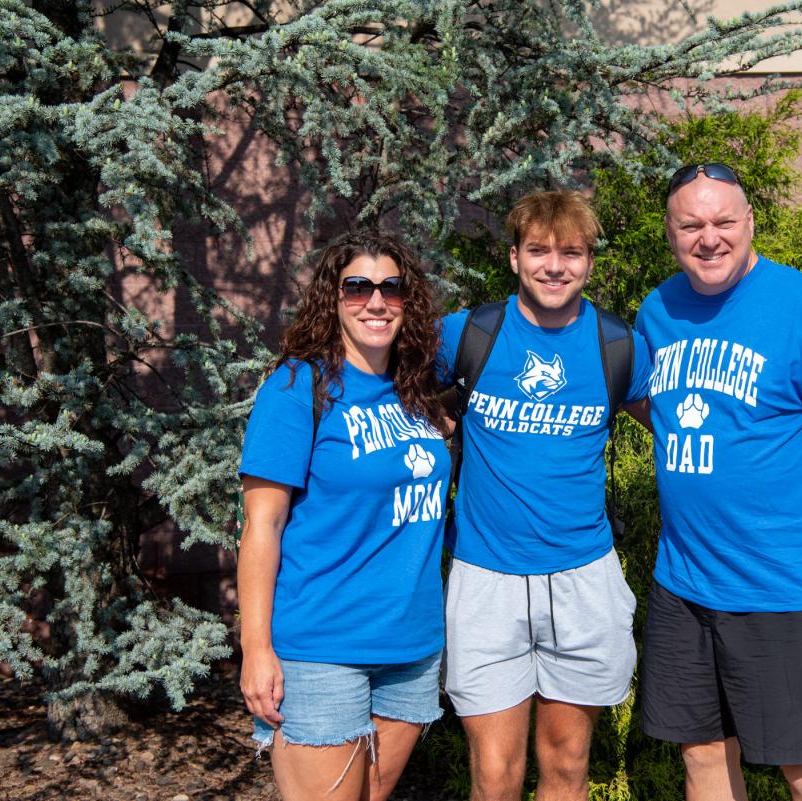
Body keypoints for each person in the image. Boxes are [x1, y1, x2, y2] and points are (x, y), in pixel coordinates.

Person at [634, 163, 802, 801]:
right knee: (701, 757)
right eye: (691, 224)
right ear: (670, 234)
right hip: (684, 587)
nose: (709, 237)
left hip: (785, 591)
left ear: (750, 224)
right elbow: (647, 403)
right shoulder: (658, 310)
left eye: (724, 221)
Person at [438, 190, 653, 801]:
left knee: (566, 769)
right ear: (513, 258)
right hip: (486, 580)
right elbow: (384, 386)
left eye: (571, 253)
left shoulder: (618, 346)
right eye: (539, 251)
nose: (554, 266)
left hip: (583, 578)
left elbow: (683, 431)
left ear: (589, 263)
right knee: (496, 777)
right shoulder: (468, 334)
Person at [237, 232, 451, 801]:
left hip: (411, 647)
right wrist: (255, 649)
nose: (375, 302)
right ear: (332, 299)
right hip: (320, 648)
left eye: (391, 289)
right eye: (357, 287)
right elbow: (262, 526)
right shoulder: (297, 388)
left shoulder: (418, 390)